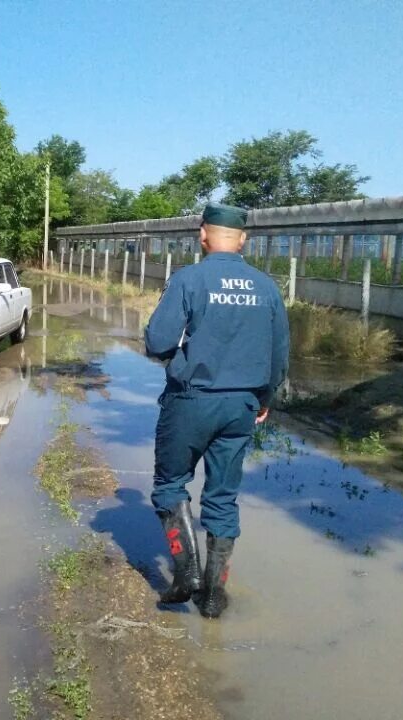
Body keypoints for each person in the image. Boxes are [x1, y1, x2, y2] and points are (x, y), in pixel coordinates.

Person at [143, 203, 290, 619]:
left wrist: (178, 359)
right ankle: (212, 595)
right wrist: (264, 399)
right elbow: (279, 353)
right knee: (223, 498)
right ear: (243, 239)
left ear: (202, 235)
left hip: (191, 400)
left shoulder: (190, 279)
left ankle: (186, 574)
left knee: (171, 485)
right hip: (241, 405)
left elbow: (157, 342)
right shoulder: (266, 287)